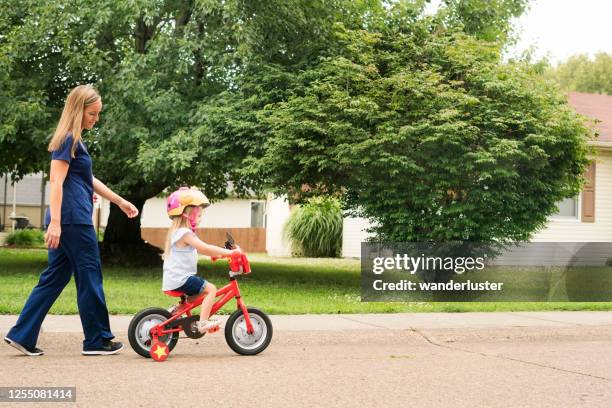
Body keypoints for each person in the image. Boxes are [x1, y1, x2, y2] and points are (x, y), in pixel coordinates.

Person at [4, 84, 139, 356]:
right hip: (72, 221)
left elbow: (87, 179)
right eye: (92, 113)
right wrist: (55, 222)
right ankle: (97, 340)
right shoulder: (67, 139)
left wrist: (120, 201)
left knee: (54, 278)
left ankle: (22, 335)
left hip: (68, 219)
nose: (96, 119)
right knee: (90, 276)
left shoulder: (74, 141)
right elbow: (56, 180)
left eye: (98, 113)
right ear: (78, 110)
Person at [163, 187, 237, 333]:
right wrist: (231, 253)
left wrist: (218, 254)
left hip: (175, 278)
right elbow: (205, 248)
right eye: (198, 215)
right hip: (181, 279)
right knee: (211, 290)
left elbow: (195, 251)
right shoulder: (184, 233)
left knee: (199, 294)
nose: (200, 219)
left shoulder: (178, 233)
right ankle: (203, 323)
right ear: (186, 214)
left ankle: (177, 309)